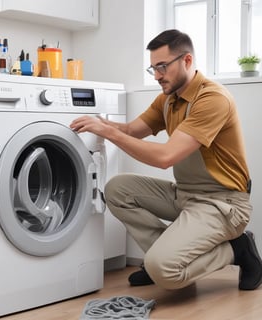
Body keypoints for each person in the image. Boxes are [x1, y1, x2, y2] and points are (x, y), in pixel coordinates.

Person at [70, 29, 262, 291]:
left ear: (187, 61)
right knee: (117, 189)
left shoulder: (212, 99)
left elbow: (165, 157)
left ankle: (236, 250)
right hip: (184, 195)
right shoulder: (168, 99)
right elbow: (129, 130)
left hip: (223, 204)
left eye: (162, 66)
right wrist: (96, 122)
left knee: (166, 273)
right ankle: (159, 258)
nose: (157, 75)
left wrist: (107, 132)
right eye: (153, 69)